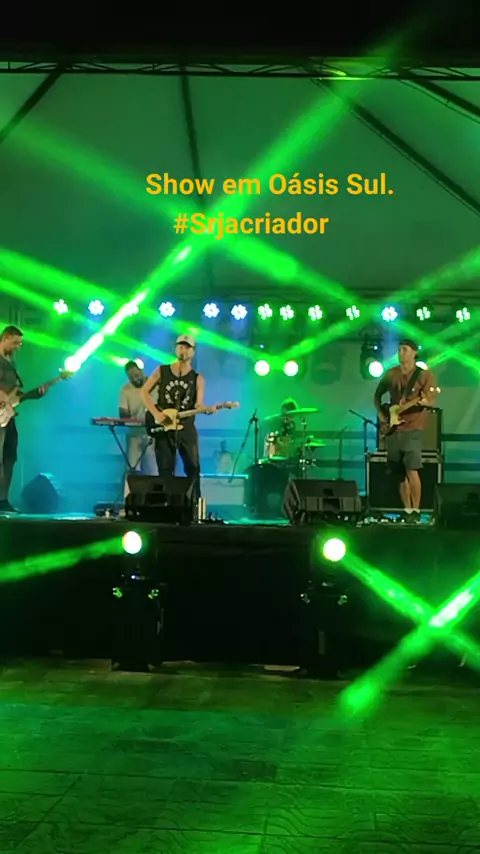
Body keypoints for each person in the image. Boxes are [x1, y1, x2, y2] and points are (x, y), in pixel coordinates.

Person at [139, 334, 211, 502]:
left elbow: (198, 404)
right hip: (165, 426)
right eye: (180, 346)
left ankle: (194, 505)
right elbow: (144, 392)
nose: (182, 350)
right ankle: (166, 504)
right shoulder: (162, 370)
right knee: (165, 468)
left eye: (186, 347)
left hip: (186, 427)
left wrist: (205, 409)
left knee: (193, 468)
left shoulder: (197, 378)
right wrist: (156, 413)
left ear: (193, 352)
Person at [374, 339, 438, 523]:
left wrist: (425, 401)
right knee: (398, 472)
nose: (401, 353)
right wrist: (382, 416)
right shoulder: (391, 373)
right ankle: (407, 510)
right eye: (399, 349)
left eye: (405, 349)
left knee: (412, 469)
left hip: (413, 427)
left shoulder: (424, 375)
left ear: (414, 353)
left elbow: (430, 398)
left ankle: (416, 510)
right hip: (393, 428)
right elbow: (377, 395)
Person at [0, 326, 47, 513]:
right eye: (15, 343)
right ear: (5, 337)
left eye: (20, 344)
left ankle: (3, 498)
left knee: (10, 457)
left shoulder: (11, 362)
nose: (18, 347)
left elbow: (15, 394)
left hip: (8, 416)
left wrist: (32, 395)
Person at [119, 360, 157, 496]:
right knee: (132, 468)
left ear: (142, 371)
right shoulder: (125, 390)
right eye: (131, 378)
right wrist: (127, 416)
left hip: (152, 434)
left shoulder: (154, 384)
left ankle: (155, 498)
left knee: (153, 469)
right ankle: (129, 499)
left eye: (137, 375)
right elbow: (123, 413)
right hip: (134, 433)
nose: (135, 379)